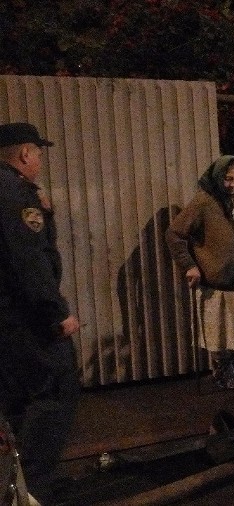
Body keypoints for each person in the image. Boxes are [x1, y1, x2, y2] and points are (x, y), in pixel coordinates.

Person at [0, 122, 81, 504]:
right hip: (26, 320)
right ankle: (33, 489)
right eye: (37, 153)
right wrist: (55, 314)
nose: (39, 161)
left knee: (16, 402)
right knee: (54, 391)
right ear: (24, 153)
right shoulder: (16, 194)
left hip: (6, 323)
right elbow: (29, 260)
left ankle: (13, 486)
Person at [166, 155, 234, 390]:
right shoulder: (203, 202)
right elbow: (174, 234)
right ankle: (222, 372)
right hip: (214, 278)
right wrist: (189, 265)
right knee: (220, 328)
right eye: (229, 179)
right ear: (218, 177)